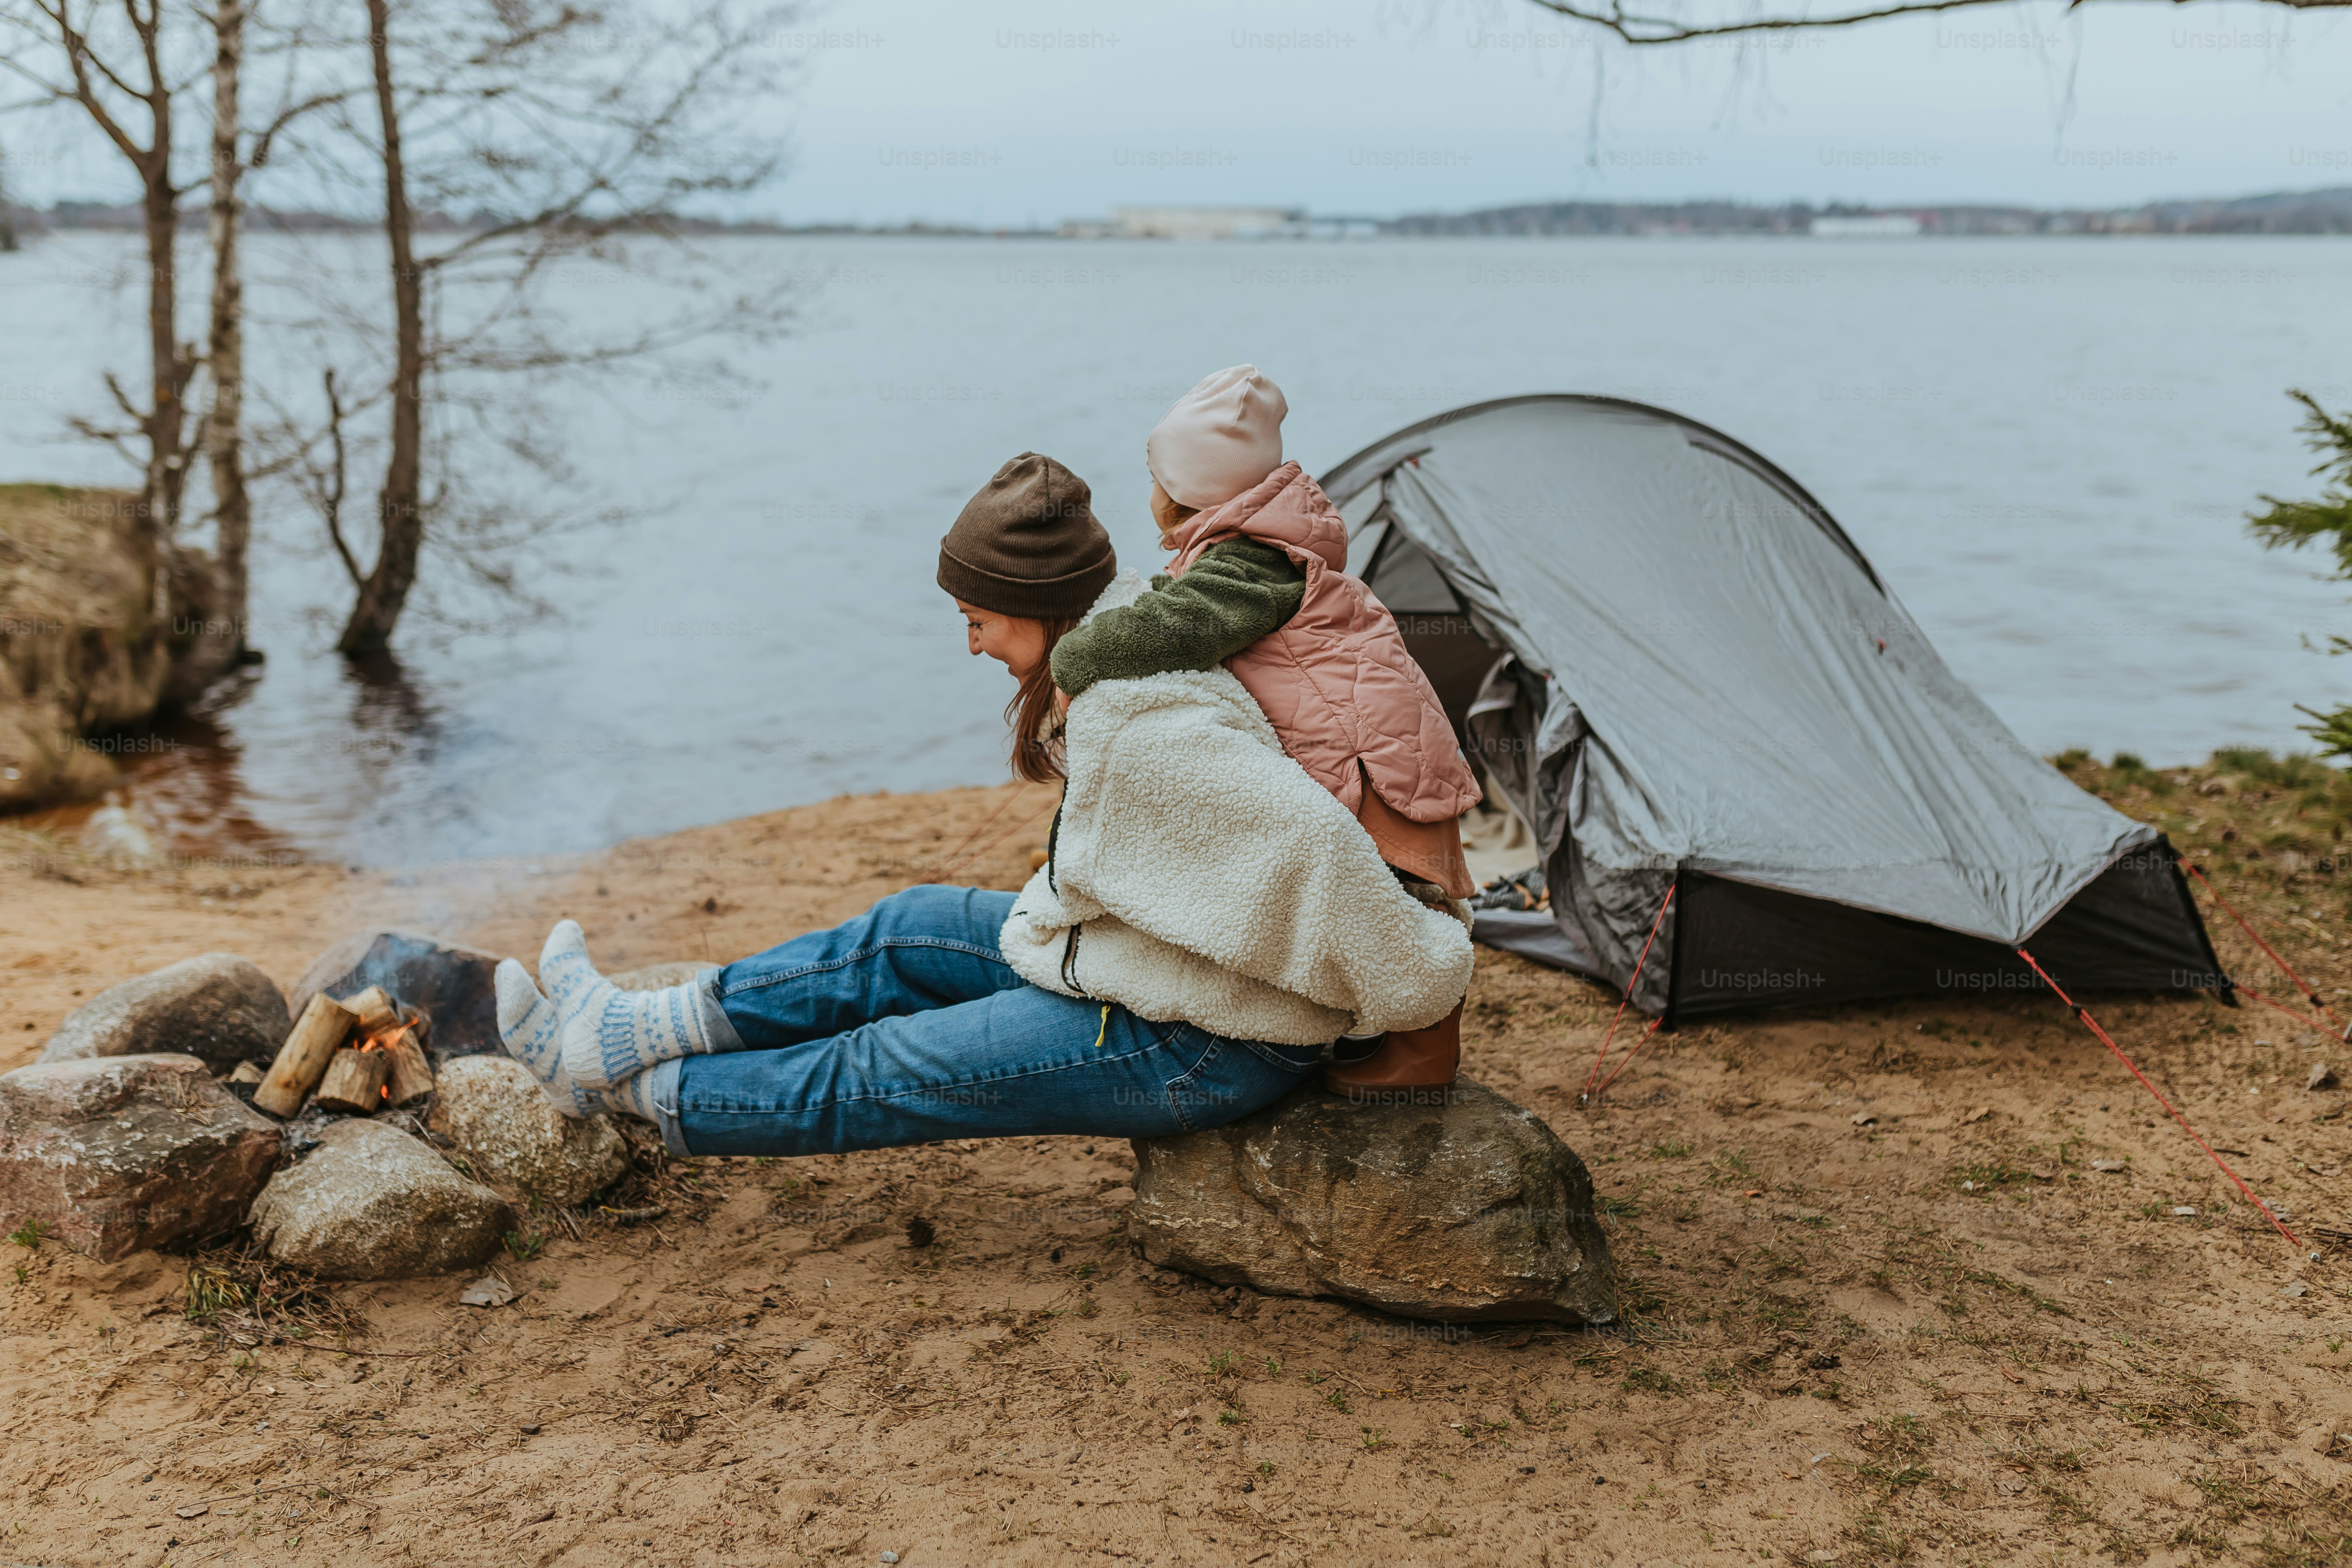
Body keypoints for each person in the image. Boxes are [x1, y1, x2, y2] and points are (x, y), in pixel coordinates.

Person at [494, 451, 1472, 1155]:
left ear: (1037, 604)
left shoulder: (1145, 727)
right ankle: (624, 1028)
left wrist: (1417, 993)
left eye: (975, 619)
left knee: (881, 1066)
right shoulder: (1123, 626)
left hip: (1198, 1042)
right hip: (1147, 970)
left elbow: (1310, 846)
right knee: (904, 927)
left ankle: (640, 1100)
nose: (967, 645)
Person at [1045, 365, 1484, 1089]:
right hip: (1365, 748)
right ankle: (1390, 1031)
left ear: (1189, 492)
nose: (1149, 491)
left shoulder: (1256, 560)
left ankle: (1426, 1050)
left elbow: (1184, 623)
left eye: (1156, 476)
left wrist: (1076, 658)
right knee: (1378, 902)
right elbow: (1184, 600)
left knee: (1399, 905)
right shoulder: (1249, 547)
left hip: (1370, 767)